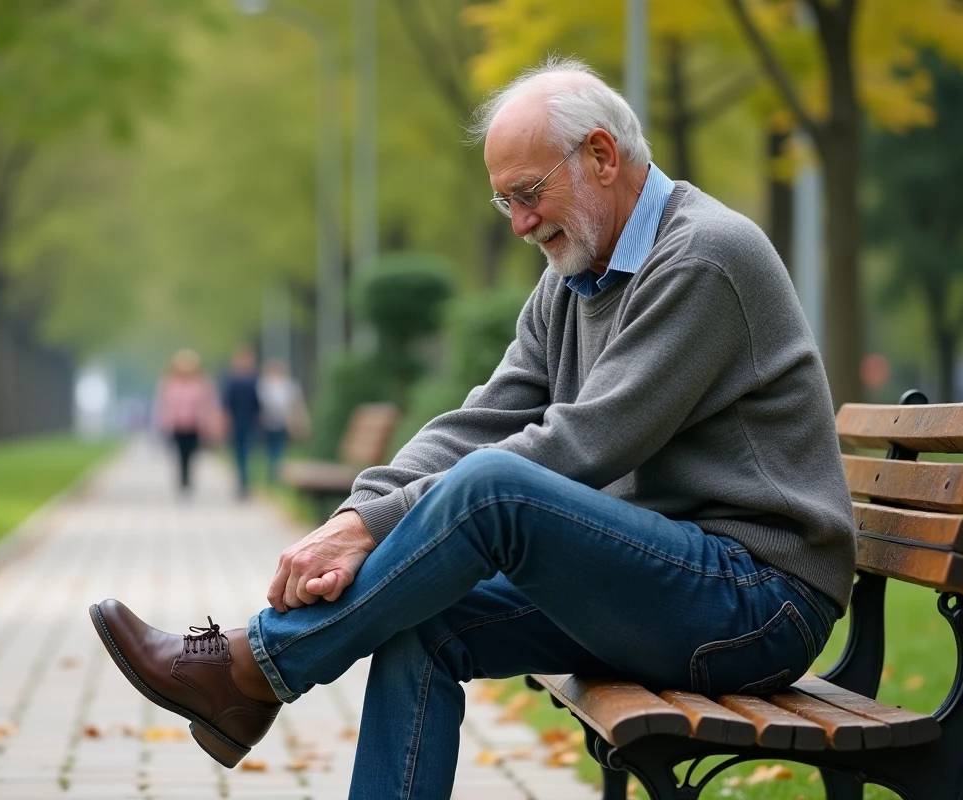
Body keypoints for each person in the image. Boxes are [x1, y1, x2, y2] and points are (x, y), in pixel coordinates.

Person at [91, 58, 855, 799]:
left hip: (757, 602)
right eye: (505, 203)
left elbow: (584, 445)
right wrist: (359, 514)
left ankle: (251, 669)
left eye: (528, 193)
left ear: (601, 155)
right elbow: (480, 420)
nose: (521, 223)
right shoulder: (571, 282)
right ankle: (245, 683)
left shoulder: (703, 258)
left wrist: (374, 530)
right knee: (421, 618)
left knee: (498, 489)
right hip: (662, 584)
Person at [154, 349, 219, 496]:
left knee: (192, 454)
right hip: (177, 425)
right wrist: (164, 423)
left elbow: (209, 404)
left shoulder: (202, 383)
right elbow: (163, 405)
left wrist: (210, 424)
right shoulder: (169, 383)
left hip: (195, 425)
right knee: (179, 455)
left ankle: (189, 482)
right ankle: (182, 483)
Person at [257, 360, 309, 484]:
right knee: (273, 448)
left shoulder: (285, 385)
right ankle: (274, 473)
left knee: (278, 448)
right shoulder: (266, 384)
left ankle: (276, 473)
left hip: (281, 422)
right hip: (269, 422)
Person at [222, 346, 261, 498]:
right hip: (238, 422)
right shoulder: (236, 381)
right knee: (240, 453)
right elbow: (226, 404)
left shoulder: (251, 380)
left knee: (245, 453)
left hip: (247, 422)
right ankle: (242, 482)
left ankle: (243, 482)